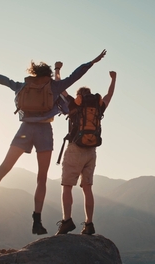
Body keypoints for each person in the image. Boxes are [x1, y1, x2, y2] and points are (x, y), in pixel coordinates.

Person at [0, 50, 107, 236]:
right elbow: (77, 75)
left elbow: (3, 80)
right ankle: (37, 221)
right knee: (41, 177)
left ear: (34, 73)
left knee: (4, 168)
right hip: (44, 131)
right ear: (48, 75)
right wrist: (93, 61)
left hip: (25, 130)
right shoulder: (54, 87)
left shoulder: (23, 86)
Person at [53, 62, 117, 235]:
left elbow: (59, 87)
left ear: (79, 96)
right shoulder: (98, 107)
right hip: (91, 151)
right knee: (87, 188)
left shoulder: (74, 104)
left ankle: (67, 221)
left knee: (67, 186)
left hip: (75, 149)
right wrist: (113, 79)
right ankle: (89, 224)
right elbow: (109, 95)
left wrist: (57, 70)